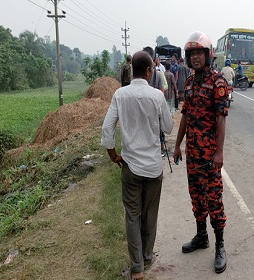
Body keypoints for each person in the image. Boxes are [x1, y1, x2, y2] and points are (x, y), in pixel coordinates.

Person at [101, 51, 173, 280]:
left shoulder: (120, 95)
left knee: (132, 215)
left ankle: (137, 268)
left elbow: (107, 129)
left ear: (132, 70)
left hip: (130, 166)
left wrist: (113, 155)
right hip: (153, 167)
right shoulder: (157, 96)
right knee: (149, 214)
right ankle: (148, 256)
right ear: (150, 71)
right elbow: (169, 128)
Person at [172, 31, 229, 274]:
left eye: (199, 53)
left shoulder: (218, 82)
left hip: (209, 156)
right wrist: (177, 144)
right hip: (192, 154)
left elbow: (221, 118)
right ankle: (201, 236)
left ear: (207, 55)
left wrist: (219, 152)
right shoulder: (189, 82)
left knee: (214, 198)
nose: (195, 58)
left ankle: (220, 246)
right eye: (191, 54)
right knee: (196, 197)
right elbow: (185, 116)